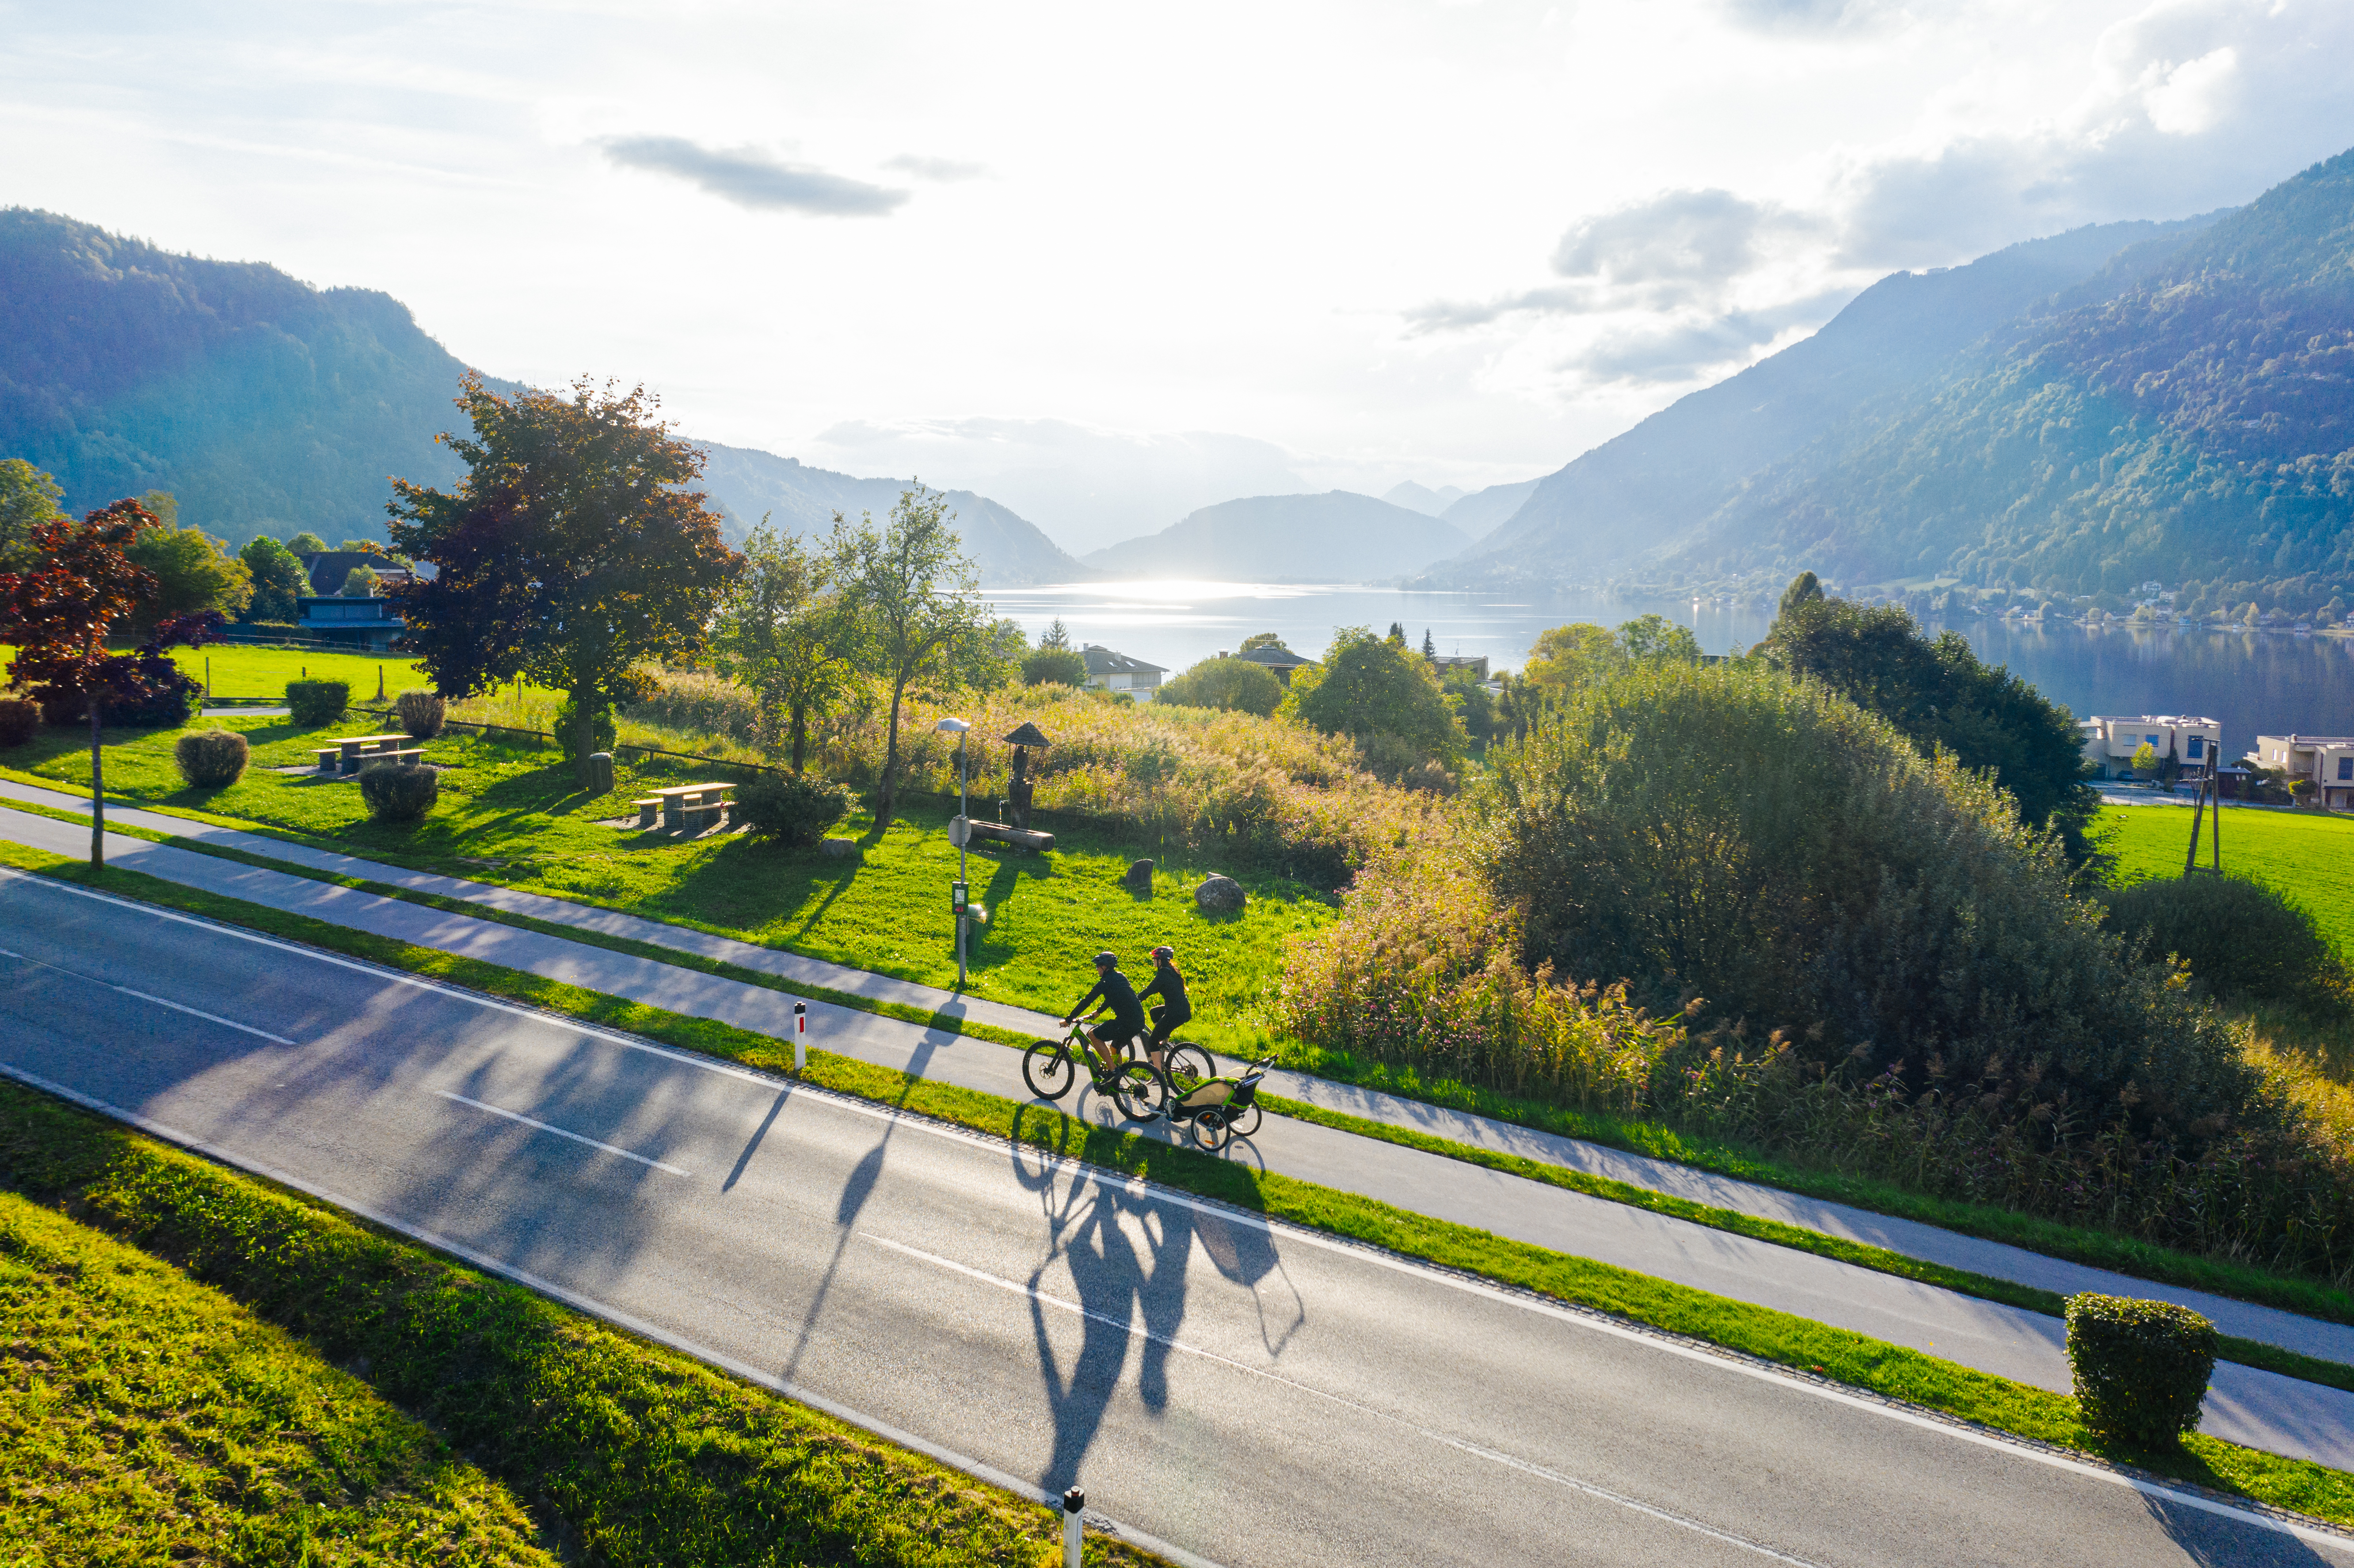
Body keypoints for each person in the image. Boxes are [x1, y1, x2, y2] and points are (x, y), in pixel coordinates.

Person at [1063, 950, 1146, 1074]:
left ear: (1105, 967)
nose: (1097, 969)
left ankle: (1113, 1071)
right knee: (1114, 1048)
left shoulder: (1105, 983)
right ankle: (1119, 1072)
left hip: (1126, 1023)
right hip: (1139, 1021)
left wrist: (1069, 1019)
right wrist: (1099, 1011)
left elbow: (1087, 1001)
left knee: (1093, 1035)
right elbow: (1114, 997)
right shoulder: (1120, 977)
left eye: (1098, 966)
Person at [1136, 944, 1191, 1074]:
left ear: (1160, 961)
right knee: (1154, 1012)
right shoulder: (1172, 971)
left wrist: (1133, 1001)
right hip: (1183, 1009)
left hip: (1175, 1013)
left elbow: (1147, 992)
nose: (1154, 961)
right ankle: (1163, 1039)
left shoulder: (1163, 976)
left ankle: (1158, 1075)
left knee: (1152, 1041)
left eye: (1155, 959)